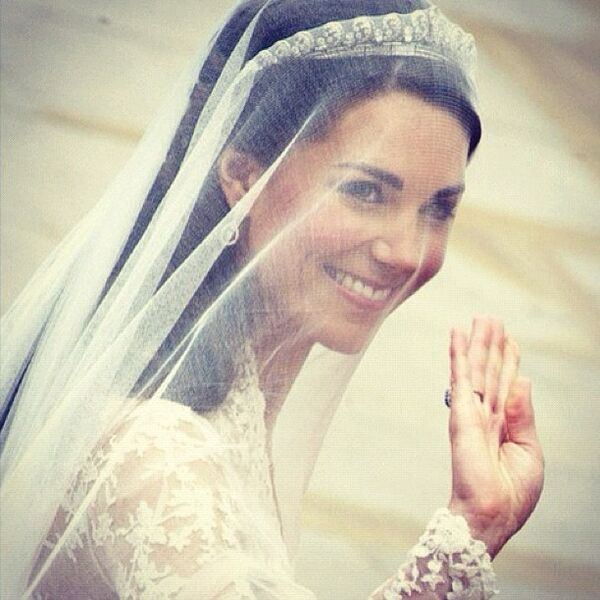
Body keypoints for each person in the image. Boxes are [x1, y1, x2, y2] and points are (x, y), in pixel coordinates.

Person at [0, 0, 544, 598]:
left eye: (437, 208)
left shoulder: (232, 397)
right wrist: (471, 531)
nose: (406, 253)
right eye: (365, 191)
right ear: (242, 175)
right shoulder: (156, 454)